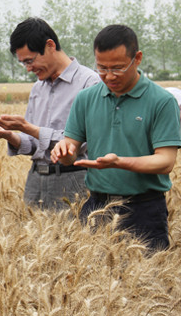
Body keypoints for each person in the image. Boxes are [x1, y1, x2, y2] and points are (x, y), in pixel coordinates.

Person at [51, 24, 181, 250]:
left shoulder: (162, 101)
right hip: (97, 206)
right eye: (101, 68)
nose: (109, 76)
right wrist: (64, 152)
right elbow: (71, 148)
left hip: (144, 210)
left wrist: (120, 162)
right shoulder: (85, 99)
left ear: (137, 58)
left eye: (118, 68)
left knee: (146, 271)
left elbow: (165, 161)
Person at [0, 18, 100, 209]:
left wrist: (27, 127)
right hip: (36, 181)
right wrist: (9, 135)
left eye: (30, 60)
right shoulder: (38, 88)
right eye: (23, 63)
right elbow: (34, 143)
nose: (28, 68)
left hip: (73, 180)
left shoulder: (90, 83)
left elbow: (83, 142)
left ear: (50, 46)